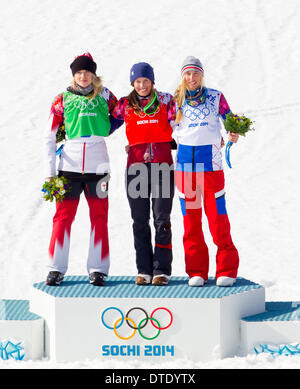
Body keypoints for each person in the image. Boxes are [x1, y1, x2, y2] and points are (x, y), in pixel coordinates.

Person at [44, 52, 120, 286]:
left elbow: (121, 114)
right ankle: (55, 268)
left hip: (98, 165)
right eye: (79, 72)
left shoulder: (106, 95)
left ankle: (98, 269)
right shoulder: (61, 99)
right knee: (63, 218)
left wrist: (106, 130)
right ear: (74, 75)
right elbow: (49, 137)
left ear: (93, 75)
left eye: (87, 72)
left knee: (99, 217)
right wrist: (50, 173)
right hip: (69, 167)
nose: (83, 76)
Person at [172, 56, 239, 287]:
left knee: (218, 219)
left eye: (196, 73)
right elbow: (163, 130)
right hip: (185, 172)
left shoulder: (215, 97)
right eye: (188, 74)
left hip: (211, 169)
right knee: (191, 222)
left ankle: (226, 269)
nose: (192, 78)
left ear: (202, 75)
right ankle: (196, 270)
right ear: (183, 76)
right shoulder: (175, 100)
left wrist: (232, 133)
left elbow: (230, 120)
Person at [111, 62, 175, 286]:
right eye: (137, 81)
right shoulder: (125, 105)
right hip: (136, 167)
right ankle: (144, 269)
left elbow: (182, 125)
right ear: (132, 83)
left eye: (145, 81)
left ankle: (161, 270)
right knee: (139, 220)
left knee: (162, 219)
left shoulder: (166, 100)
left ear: (152, 81)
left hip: (163, 165)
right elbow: (105, 125)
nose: (142, 85)